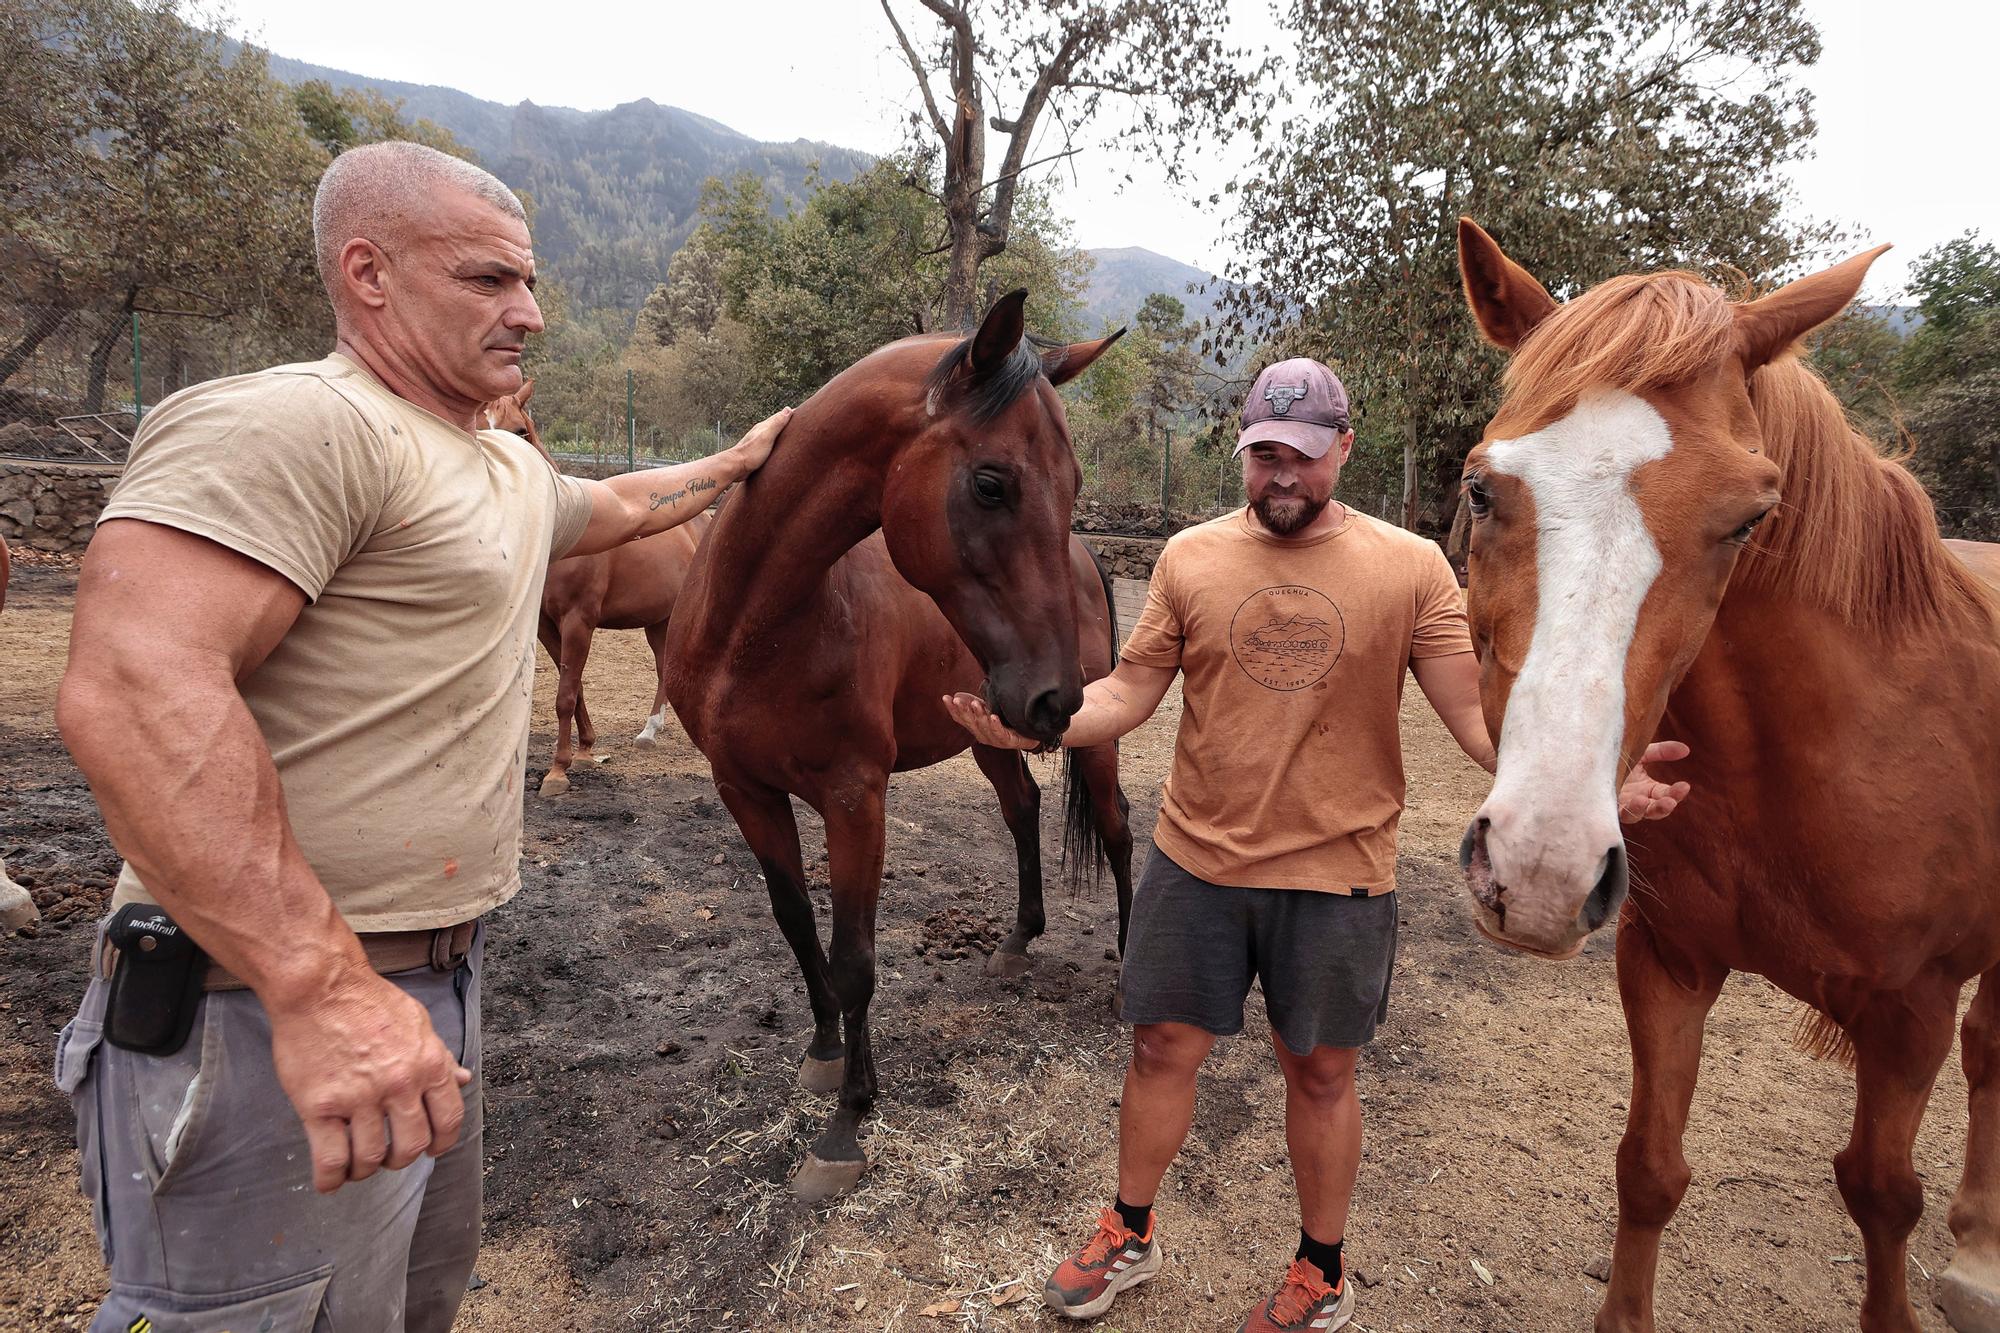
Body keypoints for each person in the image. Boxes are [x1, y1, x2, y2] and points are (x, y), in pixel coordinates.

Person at [52, 141, 789, 1333]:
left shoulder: (495, 463)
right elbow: (135, 690)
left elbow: (618, 504)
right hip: (261, 1004)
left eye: (530, 282)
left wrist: (743, 459)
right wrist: (318, 987)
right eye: (489, 280)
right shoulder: (297, 424)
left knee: (398, 1308)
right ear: (369, 273)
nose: (531, 313)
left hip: (431, 988)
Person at [944, 357, 1687, 1331]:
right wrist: (1039, 730)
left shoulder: (1408, 568)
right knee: (1160, 1048)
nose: (1280, 473)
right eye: (1263, 454)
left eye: (1300, 454)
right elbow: (1127, 692)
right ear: (1242, 451)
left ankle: (1319, 1270)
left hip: (1336, 879)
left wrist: (1589, 783)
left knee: (1321, 1072)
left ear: (1340, 449)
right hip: (1194, 863)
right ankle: (1127, 1229)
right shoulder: (1190, 559)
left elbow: (1470, 714)